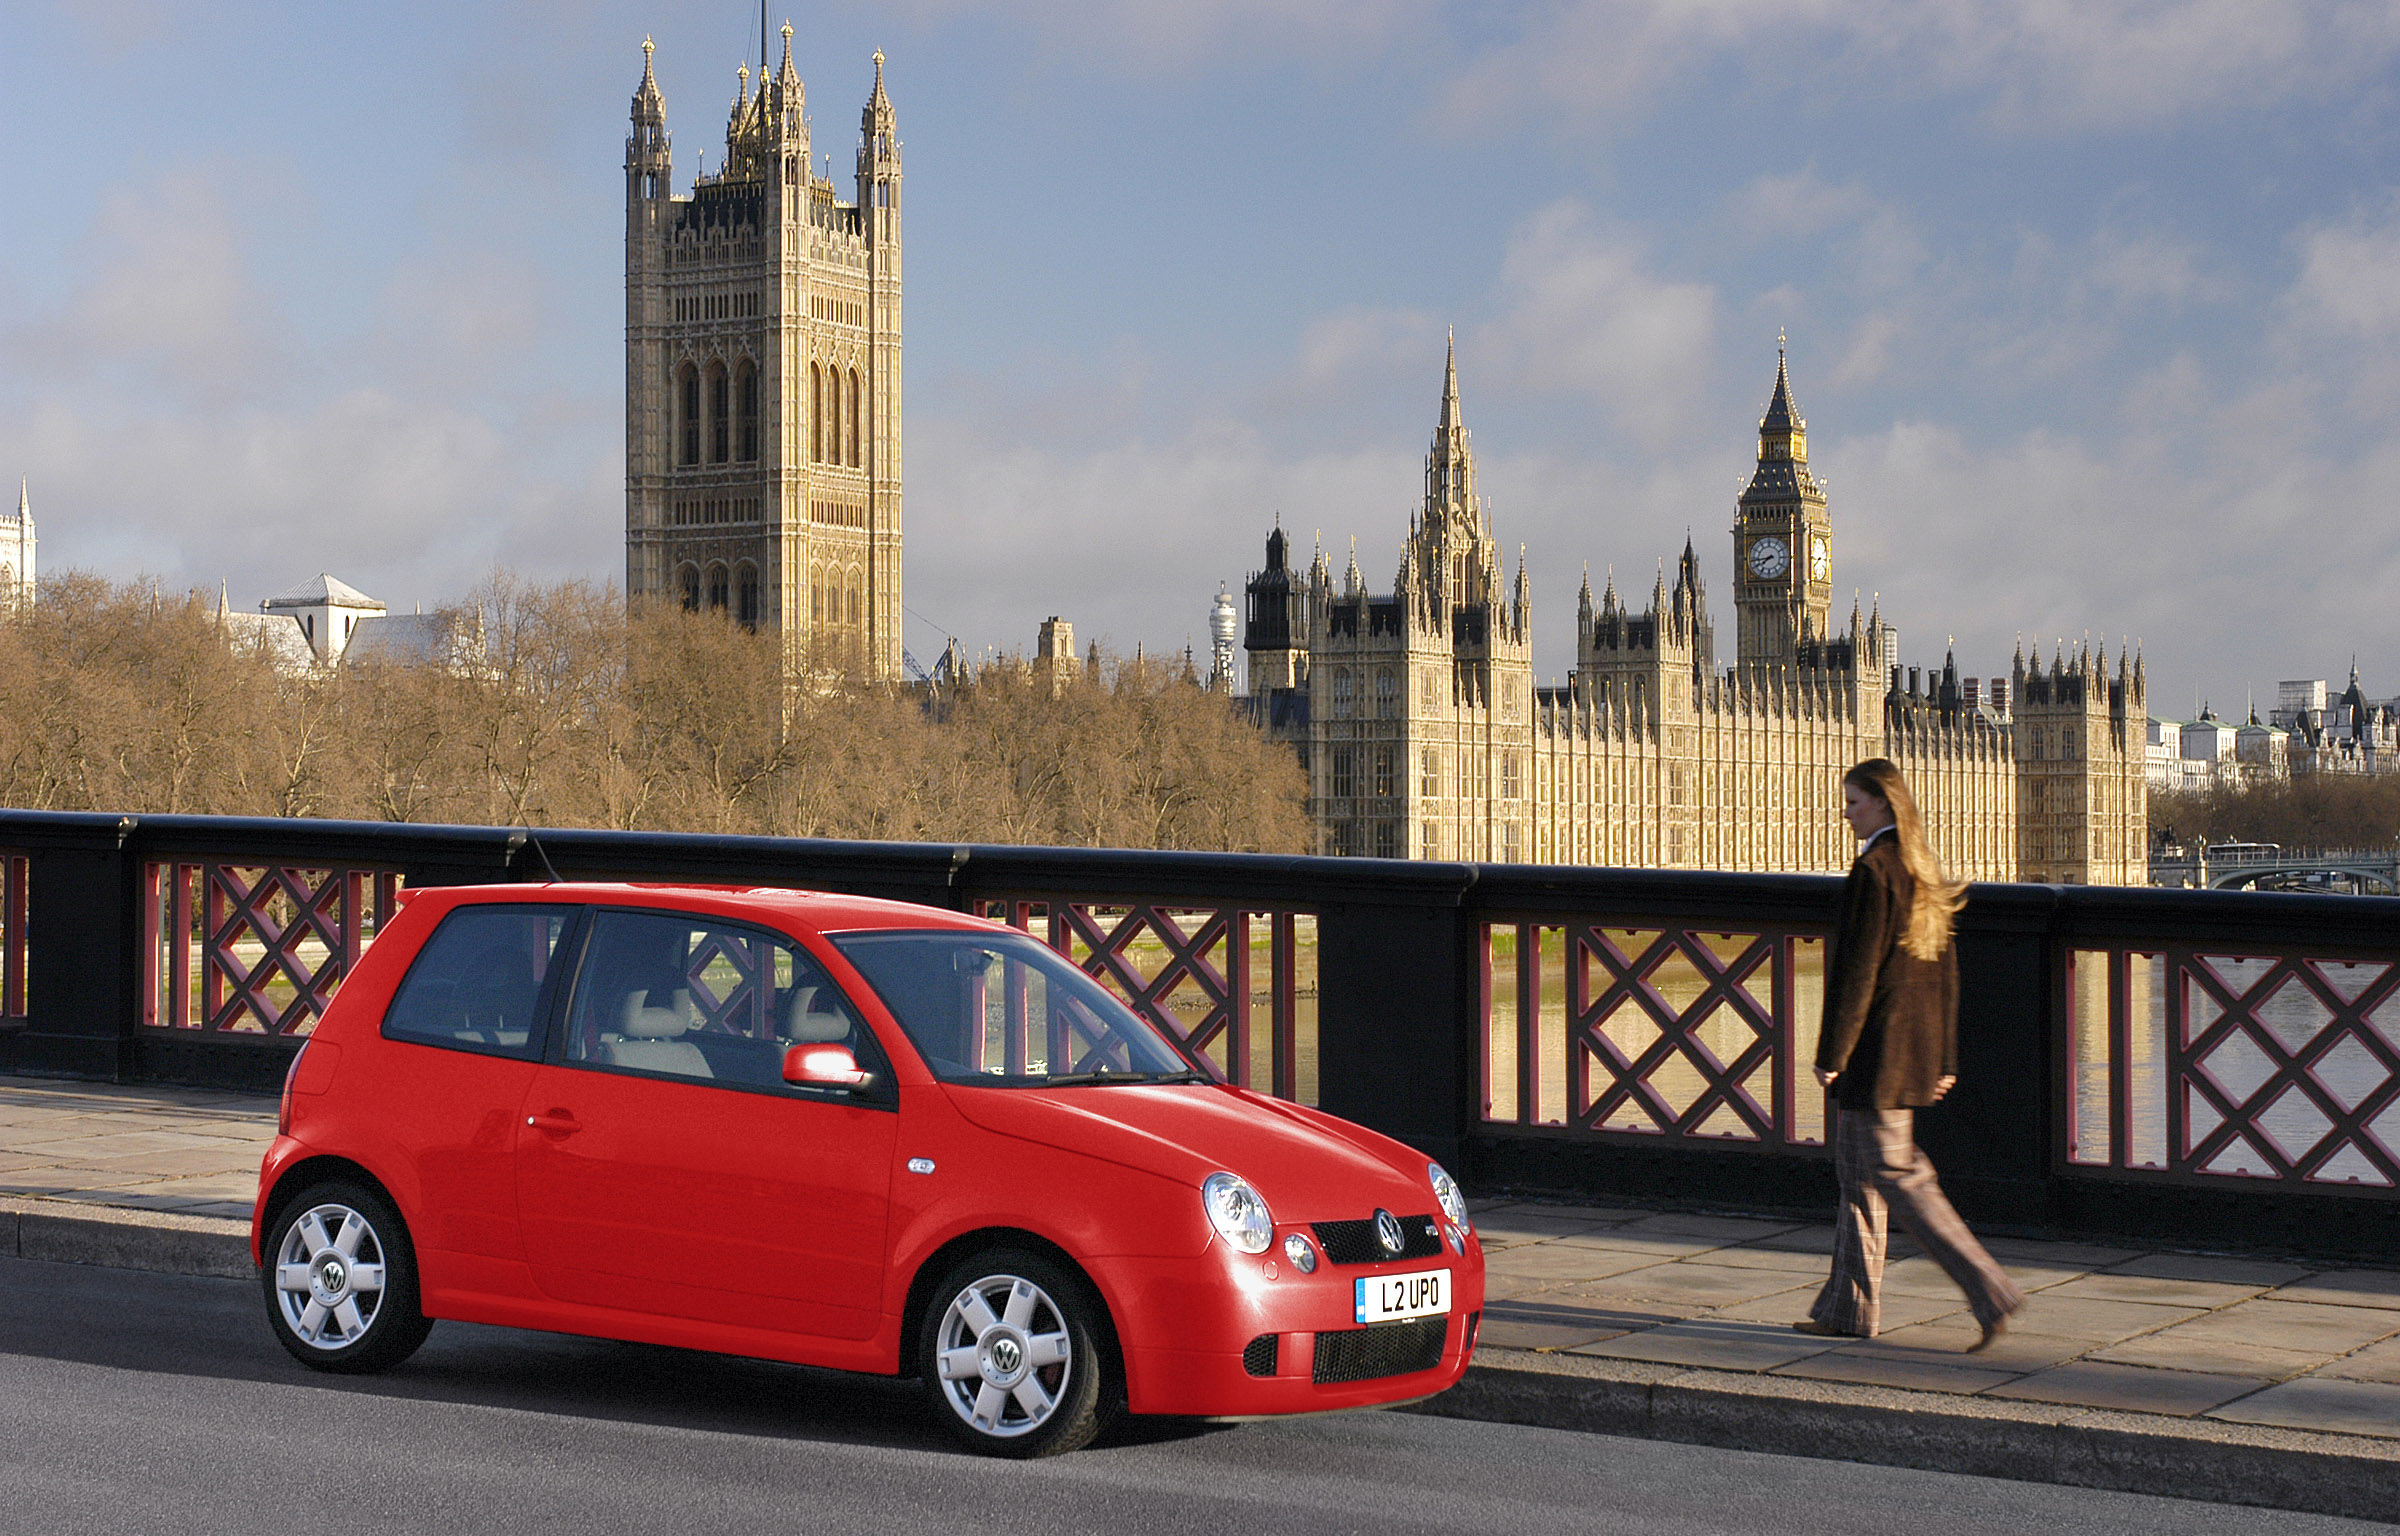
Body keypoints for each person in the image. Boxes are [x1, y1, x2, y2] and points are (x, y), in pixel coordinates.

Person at [1796, 758, 2024, 1350]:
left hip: (1877, 1058)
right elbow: (1945, 973)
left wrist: (1832, 1053)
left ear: (1881, 804)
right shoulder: (1921, 868)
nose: (1845, 813)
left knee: (1901, 1178)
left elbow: (1857, 974)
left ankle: (1990, 1289)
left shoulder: (1875, 870)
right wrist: (1944, 1057)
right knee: (1857, 1180)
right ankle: (1848, 1310)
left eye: (1853, 802)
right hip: (1910, 1054)